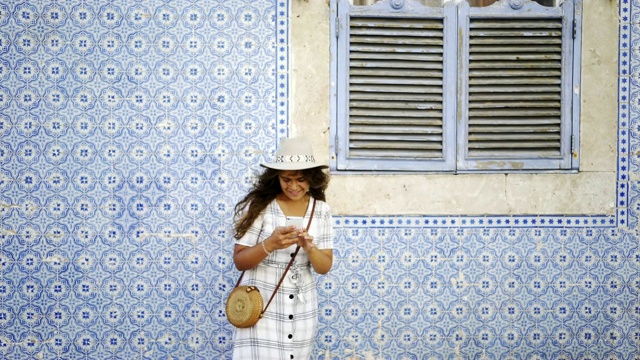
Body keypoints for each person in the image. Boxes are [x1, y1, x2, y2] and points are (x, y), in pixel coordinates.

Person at [231, 136, 333, 360]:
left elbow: (324, 267)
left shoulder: (321, 210)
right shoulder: (261, 206)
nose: (294, 186)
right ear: (276, 177)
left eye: (301, 179)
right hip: (261, 302)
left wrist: (310, 248)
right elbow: (240, 261)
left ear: (311, 179)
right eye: (286, 179)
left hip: (302, 306)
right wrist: (270, 244)